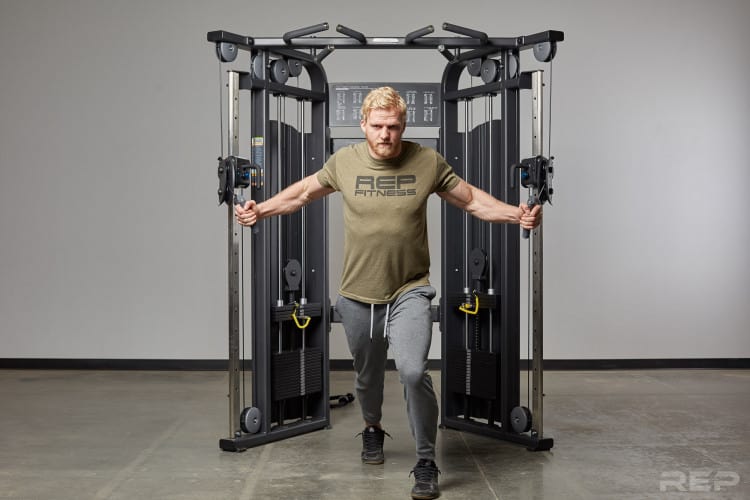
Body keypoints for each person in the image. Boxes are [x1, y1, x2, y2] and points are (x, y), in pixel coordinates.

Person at [235, 86, 542, 500]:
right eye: (377, 127)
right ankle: (373, 428)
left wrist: (516, 214)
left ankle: (426, 461)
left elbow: (470, 200)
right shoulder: (343, 162)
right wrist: (260, 209)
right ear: (363, 125)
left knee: (413, 371)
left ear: (404, 126)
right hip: (357, 293)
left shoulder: (426, 161)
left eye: (393, 127)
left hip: (409, 290)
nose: (385, 135)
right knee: (367, 378)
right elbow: (303, 193)